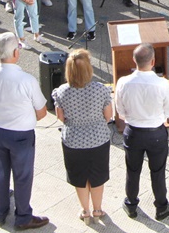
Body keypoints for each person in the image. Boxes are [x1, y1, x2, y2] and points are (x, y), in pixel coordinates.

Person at [0, 32, 49, 230]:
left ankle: (0, 211)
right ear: (14, 52)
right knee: (22, 176)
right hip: (20, 134)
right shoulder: (27, 80)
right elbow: (42, 112)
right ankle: (23, 217)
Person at [115, 43, 169, 220]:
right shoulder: (162, 83)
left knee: (132, 170)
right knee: (158, 171)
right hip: (156, 133)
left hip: (133, 132)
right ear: (153, 61)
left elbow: (120, 111)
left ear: (134, 60)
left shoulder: (123, 82)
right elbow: (168, 111)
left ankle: (131, 204)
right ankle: (161, 206)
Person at [52, 49, 112, 223]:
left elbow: (61, 117)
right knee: (97, 176)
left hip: (73, 140)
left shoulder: (62, 91)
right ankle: (98, 209)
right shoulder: (101, 90)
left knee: (79, 177)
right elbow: (108, 116)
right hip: (98, 139)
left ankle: (85, 210)